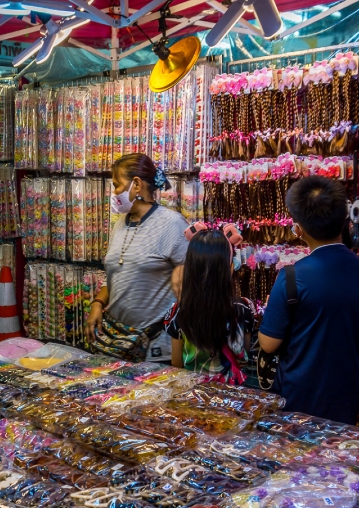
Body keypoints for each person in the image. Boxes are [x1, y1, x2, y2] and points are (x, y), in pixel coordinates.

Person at [258, 176, 359, 424]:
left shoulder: (291, 277)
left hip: (298, 399)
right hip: (345, 395)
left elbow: (268, 344)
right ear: (344, 219)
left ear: (298, 229)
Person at [85, 153, 189, 361]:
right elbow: (118, 275)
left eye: (117, 185)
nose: (114, 193)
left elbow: (188, 287)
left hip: (156, 350)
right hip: (118, 343)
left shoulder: (173, 224)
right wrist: (97, 303)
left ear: (136, 184)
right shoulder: (119, 224)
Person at [165, 229, 257, 384]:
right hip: (231, 393)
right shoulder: (244, 307)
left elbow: (176, 363)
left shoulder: (179, 311)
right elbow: (243, 357)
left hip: (194, 392)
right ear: (230, 268)